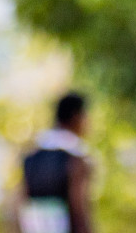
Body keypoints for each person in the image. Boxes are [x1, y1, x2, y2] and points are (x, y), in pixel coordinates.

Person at [16, 92, 95, 233]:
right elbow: (79, 212)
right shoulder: (76, 159)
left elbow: (19, 204)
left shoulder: (32, 157)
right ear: (76, 116)